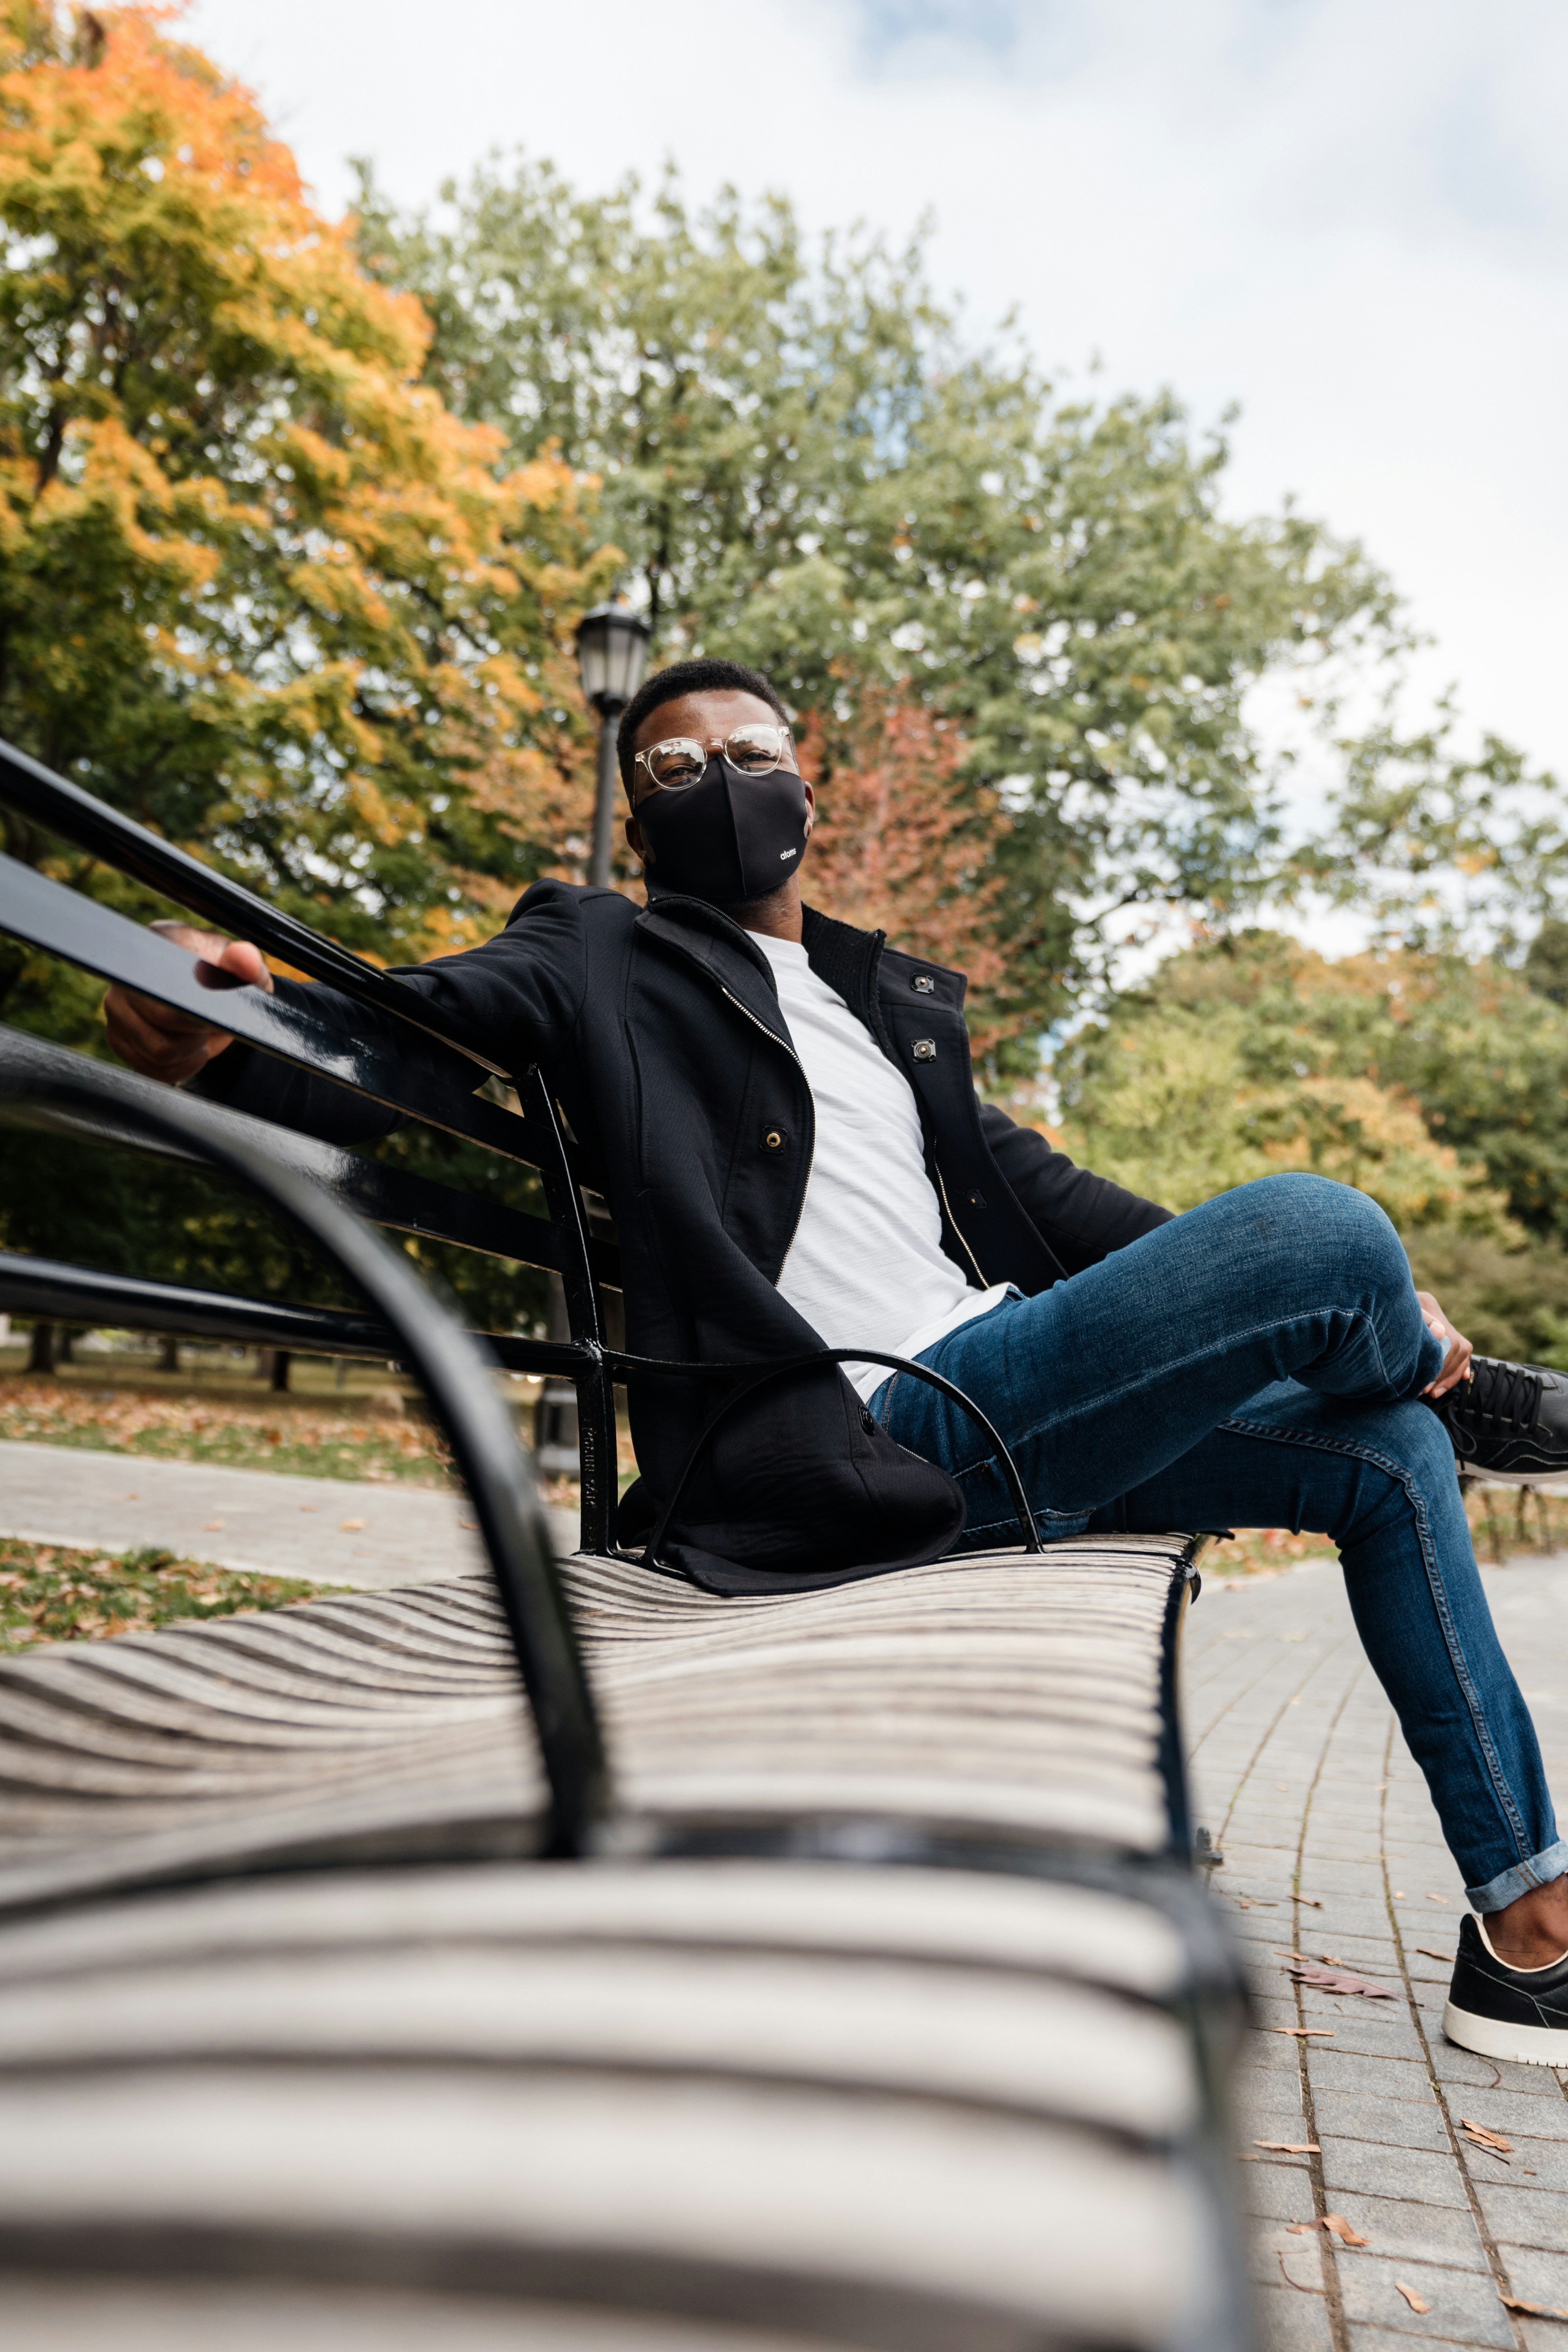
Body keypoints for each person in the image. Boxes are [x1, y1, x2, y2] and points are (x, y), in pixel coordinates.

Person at [103, 654, 1568, 2059]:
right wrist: (224, 1029)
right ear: (635, 807)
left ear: (812, 791)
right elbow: (409, 1038)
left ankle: (1531, 1931)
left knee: (1386, 1445)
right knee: (1326, 1226)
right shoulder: (598, 947)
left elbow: (1055, 1206)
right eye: (671, 764)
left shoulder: (884, 1012)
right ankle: (1448, 1372)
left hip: (1005, 1390)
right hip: (863, 1431)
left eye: (751, 753)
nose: (717, 779)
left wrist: (1279, 1290)